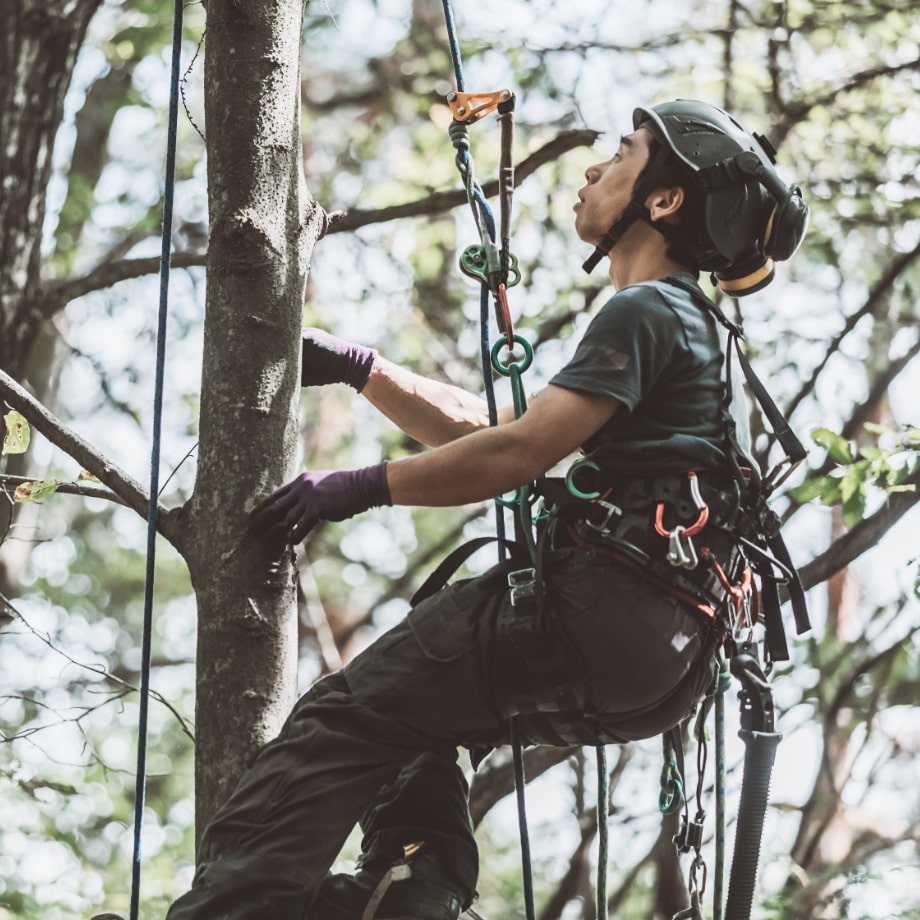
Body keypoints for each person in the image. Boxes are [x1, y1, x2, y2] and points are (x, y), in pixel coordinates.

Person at [165, 99, 808, 920]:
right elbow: (512, 434)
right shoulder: (699, 338)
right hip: (664, 664)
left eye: (620, 155)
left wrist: (353, 488)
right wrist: (365, 370)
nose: (590, 169)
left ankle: (229, 911)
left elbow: (516, 455)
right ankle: (410, 895)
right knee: (422, 724)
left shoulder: (649, 309)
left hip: (601, 607)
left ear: (665, 200)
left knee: (342, 717)